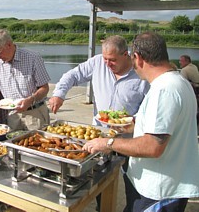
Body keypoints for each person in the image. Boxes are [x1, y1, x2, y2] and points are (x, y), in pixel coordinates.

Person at [83, 32, 199, 212]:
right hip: (165, 185)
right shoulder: (179, 81)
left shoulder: (164, 90)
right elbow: (168, 127)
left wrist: (108, 143)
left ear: (137, 57)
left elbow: (153, 146)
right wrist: (135, 125)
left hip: (159, 191)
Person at [48, 35, 150, 212]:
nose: (107, 64)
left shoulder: (141, 73)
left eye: (112, 60)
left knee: (134, 182)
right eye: (105, 59)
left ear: (126, 55)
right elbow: (72, 75)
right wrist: (59, 94)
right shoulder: (97, 63)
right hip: (100, 137)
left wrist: (134, 120)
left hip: (129, 139)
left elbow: (149, 107)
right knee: (100, 179)